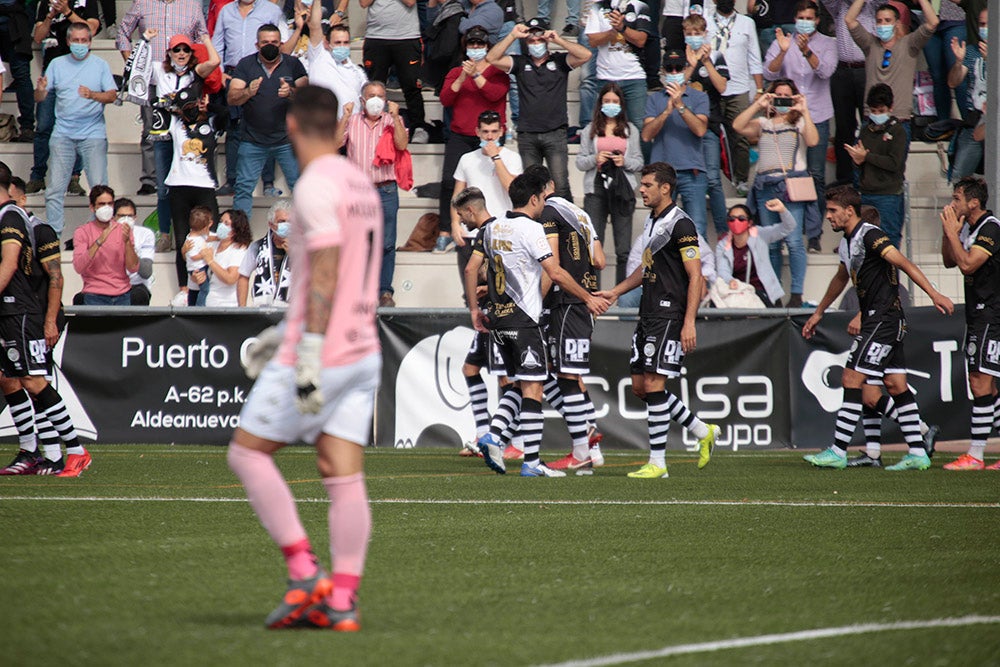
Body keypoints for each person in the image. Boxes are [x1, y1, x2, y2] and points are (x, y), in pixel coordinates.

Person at [227, 84, 382, 631]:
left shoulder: (314, 185)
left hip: (328, 349)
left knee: (247, 454)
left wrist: (308, 345)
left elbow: (330, 268)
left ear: (291, 125)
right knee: (341, 476)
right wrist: (286, 327)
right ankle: (341, 601)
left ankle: (303, 573)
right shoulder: (357, 182)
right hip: (364, 347)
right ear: (337, 126)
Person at [802, 185, 954, 470]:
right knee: (896, 385)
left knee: (851, 379)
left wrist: (934, 294)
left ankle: (837, 450)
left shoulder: (870, 235)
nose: (828, 217)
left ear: (850, 211)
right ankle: (918, 453)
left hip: (882, 319)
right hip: (883, 319)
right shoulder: (848, 242)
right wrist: (819, 312)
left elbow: (903, 262)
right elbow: (840, 279)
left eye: (833, 211)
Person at [467, 174, 610, 477]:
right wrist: (587, 296)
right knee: (533, 388)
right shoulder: (533, 229)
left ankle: (494, 436)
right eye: (542, 199)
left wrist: (473, 309)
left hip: (498, 320)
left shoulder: (491, 227)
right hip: (526, 320)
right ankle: (529, 459)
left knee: (519, 384)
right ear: (534, 198)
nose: (544, 204)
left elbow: (471, 268)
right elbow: (555, 272)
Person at [594, 162, 721, 478]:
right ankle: (702, 430)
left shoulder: (681, 225)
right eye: (642, 184)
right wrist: (615, 291)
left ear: (666, 187)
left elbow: (696, 277)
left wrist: (689, 321)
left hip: (668, 313)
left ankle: (658, 463)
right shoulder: (653, 222)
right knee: (641, 387)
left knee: (654, 384)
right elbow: (646, 268)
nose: (641, 189)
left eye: (647, 184)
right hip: (648, 313)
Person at [0, 162, 90, 478]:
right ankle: (34, 452)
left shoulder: (35, 228)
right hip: (12, 314)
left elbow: (56, 277)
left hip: (34, 315)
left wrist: (50, 320)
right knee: (13, 378)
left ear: (20, 198)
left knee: (36, 381)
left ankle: (62, 453)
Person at [528, 165, 608, 472]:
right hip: (586, 299)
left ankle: (582, 448)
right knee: (572, 374)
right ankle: (592, 449)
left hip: (566, 301)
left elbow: (553, 265)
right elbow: (600, 261)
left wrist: (534, 302)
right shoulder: (582, 214)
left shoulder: (549, 213)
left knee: (562, 375)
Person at [732, 78, 819, 308]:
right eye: (777, 95)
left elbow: (813, 140)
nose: (781, 100)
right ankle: (774, 293)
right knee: (770, 243)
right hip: (765, 186)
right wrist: (758, 104)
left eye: (786, 96)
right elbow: (738, 126)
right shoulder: (763, 123)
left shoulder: (799, 122)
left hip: (791, 186)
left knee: (793, 242)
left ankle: (797, 293)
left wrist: (804, 109)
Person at [486, 18, 591, 200]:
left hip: (555, 132)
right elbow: (491, 58)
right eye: (532, 41)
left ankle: (566, 226)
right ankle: (536, 226)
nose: (535, 44)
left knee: (560, 185)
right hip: (528, 134)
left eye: (539, 40)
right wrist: (512, 36)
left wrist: (558, 40)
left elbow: (586, 55)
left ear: (546, 40)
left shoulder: (559, 61)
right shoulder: (520, 62)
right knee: (531, 187)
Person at [763, 0, 836, 253]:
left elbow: (826, 72)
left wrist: (807, 52)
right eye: (800, 17)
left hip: (817, 115)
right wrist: (784, 51)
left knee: (815, 175)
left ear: (817, 20)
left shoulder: (828, 43)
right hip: (787, 119)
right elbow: (769, 74)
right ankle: (788, 228)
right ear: (795, 18)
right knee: (787, 174)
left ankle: (813, 233)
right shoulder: (782, 41)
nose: (804, 21)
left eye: (809, 18)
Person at [116, 0, 208, 196]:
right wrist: (134, 67)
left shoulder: (192, 5)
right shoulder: (142, 3)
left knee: (184, 130)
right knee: (152, 129)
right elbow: (123, 31)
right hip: (151, 79)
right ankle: (150, 180)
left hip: (183, 80)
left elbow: (202, 38)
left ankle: (182, 175)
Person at [940, 177, 1000, 471]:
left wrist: (954, 233)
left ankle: (975, 455)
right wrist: (948, 232)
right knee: (985, 383)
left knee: (980, 381)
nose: (952, 204)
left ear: (973, 203)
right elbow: (949, 261)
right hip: (978, 314)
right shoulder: (970, 228)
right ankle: (977, 454)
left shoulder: (990, 228)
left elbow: (967, 264)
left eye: (956, 199)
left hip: (992, 313)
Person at [36, 22, 117, 236]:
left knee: (100, 189)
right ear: (68, 41)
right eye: (76, 40)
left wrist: (92, 95)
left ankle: (97, 237)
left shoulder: (100, 65)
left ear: (90, 42)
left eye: (84, 40)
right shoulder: (56, 64)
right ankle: (54, 237)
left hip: (93, 134)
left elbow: (112, 95)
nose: (80, 44)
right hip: (63, 134)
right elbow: (40, 97)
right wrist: (41, 90)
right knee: (54, 190)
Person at [435, 27, 511, 253]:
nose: (475, 49)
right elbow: (446, 99)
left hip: (489, 135)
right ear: (465, 48)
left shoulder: (498, 72)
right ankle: (446, 231)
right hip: (460, 135)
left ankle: (497, 227)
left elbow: (494, 95)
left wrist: (477, 75)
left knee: (495, 181)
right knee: (450, 182)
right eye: (472, 45)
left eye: (480, 45)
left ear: (487, 47)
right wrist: (462, 76)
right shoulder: (456, 71)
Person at [211, 0, 295, 198]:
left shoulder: (272, 10)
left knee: (268, 123)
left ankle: (267, 183)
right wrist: (220, 72)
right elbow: (218, 43)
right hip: (234, 74)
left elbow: (283, 42)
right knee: (234, 129)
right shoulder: (226, 11)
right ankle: (232, 181)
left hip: (265, 70)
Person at [151, 31, 222, 257]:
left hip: (188, 130)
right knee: (164, 189)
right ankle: (165, 234)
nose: (181, 53)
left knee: (190, 175)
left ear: (191, 53)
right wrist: (143, 40)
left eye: (185, 49)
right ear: (169, 52)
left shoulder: (196, 73)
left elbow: (215, 62)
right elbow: (134, 70)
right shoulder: (159, 69)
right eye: (176, 49)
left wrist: (206, 39)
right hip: (166, 132)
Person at [339, 81, 408, 308]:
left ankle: (384, 292)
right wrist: (344, 116)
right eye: (371, 95)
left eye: (380, 95)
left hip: (385, 189)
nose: (376, 100)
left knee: (386, 244)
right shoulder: (353, 121)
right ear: (362, 99)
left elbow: (401, 143)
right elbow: (334, 143)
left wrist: (396, 118)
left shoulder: (391, 121)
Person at [228, 24, 308, 215]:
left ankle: (305, 236)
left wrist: (290, 93)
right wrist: (248, 91)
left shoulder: (293, 64)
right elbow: (232, 98)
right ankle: (241, 239)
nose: (270, 45)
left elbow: (307, 97)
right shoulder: (246, 65)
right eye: (265, 42)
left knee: (301, 188)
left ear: (281, 44)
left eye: (274, 42)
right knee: (243, 189)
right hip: (252, 140)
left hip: (287, 140)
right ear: (257, 44)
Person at [27, 0, 100, 196]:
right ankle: (37, 177)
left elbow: (91, 29)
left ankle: (74, 178)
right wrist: (51, 14)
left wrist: (67, 11)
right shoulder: (46, 3)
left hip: (79, 75)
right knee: (43, 126)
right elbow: (37, 37)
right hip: (52, 74)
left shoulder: (86, 2)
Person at [575, 82, 643, 284]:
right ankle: (594, 294)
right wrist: (595, 159)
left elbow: (639, 162)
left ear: (621, 104)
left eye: (615, 101)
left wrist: (624, 162)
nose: (611, 105)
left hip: (622, 189)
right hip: (596, 188)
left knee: (623, 248)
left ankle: (621, 296)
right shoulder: (590, 129)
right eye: (607, 101)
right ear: (600, 103)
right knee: (595, 245)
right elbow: (580, 162)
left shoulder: (631, 130)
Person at [845, 0, 938, 143]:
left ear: (897, 23)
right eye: (879, 21)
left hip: (899, 120)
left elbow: (932, 22)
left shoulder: (910, 44)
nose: (883, 25)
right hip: (871, 118)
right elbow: (849, 20)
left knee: (894, 165)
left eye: (888, 21)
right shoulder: (870, 44)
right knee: (864, 164)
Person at [449, 110, 523, 285]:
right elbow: (457, 196)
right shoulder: (466, 159)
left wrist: (495, 157)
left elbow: (512, 188)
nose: (490, 137)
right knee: (472, 291)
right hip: (471, 234)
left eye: (494, 132)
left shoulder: (512, 158)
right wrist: (454, 223)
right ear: (477, 132)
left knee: (500, 289)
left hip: (502, 233)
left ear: (501, 132)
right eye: (485, 132)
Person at [642, 50, 710, 237]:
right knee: (660, 228)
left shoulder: (699, 97)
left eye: (678, 68)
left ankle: (698, 267)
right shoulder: (654, 99)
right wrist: (665, 112)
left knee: (697, 229)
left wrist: (680, 105)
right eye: (669, 69)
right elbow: (646, 135)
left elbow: (700, 130)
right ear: (663, 71)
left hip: (692, 171)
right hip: (662, 174)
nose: (674, 72)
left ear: (686, 69)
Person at [707, 0, 764, 195]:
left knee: (740, 136)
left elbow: (754, 56)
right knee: (711, 135)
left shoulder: (747, 23)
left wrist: (759, 89)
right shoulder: (704, 20)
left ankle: (741, 180)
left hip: (739, 88)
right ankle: (711, 180)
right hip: (711, 87)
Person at [683, 12, 731, 236]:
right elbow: (675, 87)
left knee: (712, 179)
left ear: (705, 34)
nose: (693, 37)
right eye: (689, 33)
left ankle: (723, 232)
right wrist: (691, 66)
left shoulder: (717, 56)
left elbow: (722, 87)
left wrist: (706, 61)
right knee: (686, 179)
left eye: (697, 33)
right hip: (683, 127)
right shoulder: (678, 56)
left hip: (710, 125)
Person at [843, 83, 907, 249]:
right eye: (873, 111)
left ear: (890, 108)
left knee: (889, 241)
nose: (876, 115)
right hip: (866, 194)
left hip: (889, 195)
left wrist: (867, 157)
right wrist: (857, 161)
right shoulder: (865, 131)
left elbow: (895, 163)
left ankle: (891, 275)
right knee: (863, 242)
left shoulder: (898, 131)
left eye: (881, 111)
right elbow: (860, 160)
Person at [821, 0, 878, 185]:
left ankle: (870, 175)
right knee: (844, 127)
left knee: (870, 124)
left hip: (867, 69)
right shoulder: (839, 6)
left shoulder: (872, 5)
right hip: (843, 70)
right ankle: (845, 178)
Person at [360, 0, 428, 143]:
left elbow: (410, 2)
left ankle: (418, 128)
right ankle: (372, 127)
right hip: (376, 37)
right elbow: (364, 3)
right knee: (374, 87)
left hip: (407, 37)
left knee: (412, 85)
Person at [584, 0, 653, 133]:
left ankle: (641, 155)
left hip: (634, 77)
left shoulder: (640, 5)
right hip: (605, 77)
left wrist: (622, 28)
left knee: (638, 125)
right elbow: (592, 40)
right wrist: (611, 33)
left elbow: (641, 40)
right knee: (603, 124)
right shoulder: (598, 6)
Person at [715, 200, 796, 307]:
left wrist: (783, 211)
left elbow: (788, 227)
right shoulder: (722, 244)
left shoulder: (760, 234)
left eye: (741, 219)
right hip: (738, 293)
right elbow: (722, 269)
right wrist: (730, 280)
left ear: (749, 222)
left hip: (763, 292)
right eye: (732, 219)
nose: (736, 222)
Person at [72, 185, 140, 305]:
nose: (106, 208)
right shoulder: (82, 231)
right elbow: (79, 267)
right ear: (92, 207)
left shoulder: (123, 229)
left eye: (110, 204)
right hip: (94, 295)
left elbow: (133, 267)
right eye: (102, 204)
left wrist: (127, 242)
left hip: (123, 294)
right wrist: (99, 241)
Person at [303, 2, 366, 125]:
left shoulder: (357, 72)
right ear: (327, 44)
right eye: (337, 42)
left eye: (346, 42)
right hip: (322, 127)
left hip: (350, 129)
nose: (342, 46)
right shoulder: (319, 56)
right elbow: (315, 25)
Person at [947, 8, 987, 181]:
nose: (984, 28)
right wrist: (958, 62)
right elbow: (953, 82)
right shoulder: (972, 52)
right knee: (959, 177)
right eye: (982, 24)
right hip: (974, 121)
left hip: (995, 122)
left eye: (988, 24)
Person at [238, 199, 292, 307]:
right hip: (262, 310)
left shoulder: (303, 247)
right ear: (271, 225)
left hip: (292, 310)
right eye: (282, 221)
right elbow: (243, 276)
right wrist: (242, 308)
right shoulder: (257, 246)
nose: (287, 225)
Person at [924, 0, 966, 122]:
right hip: (929, 20)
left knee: (958, 73)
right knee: (937, 76)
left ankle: (968, 125)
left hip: (955, 18)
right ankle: (943, 126)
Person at [0, 0, 34, 142]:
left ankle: (27, 126)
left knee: (21, 75)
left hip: (17, 20)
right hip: (12, 19)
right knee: (21, 75)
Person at [203, 209, 251, 307]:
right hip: (209, 302)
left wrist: (211, 261)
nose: (221, 226)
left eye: (226, 223)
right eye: (221, 222)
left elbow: (231, 279)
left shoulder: (238, 250)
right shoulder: (214, 245)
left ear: (236, 229)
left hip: (228, 305)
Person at [113, 198, 156, 305]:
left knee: (138, 296)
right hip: (110, 284)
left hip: (136, 285)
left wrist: (130, 247)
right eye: (121, 216)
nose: (126, 219)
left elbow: (146, 272)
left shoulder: (145, 234)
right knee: (81, 298)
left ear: (135, 217)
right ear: (113, 218)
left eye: (130, 216)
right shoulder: (104, 233)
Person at [182, 206, 214, 306]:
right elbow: (191, 256)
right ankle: (199, 308)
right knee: (205, 290)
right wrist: (205, 254)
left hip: (204, 271)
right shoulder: (192, 240)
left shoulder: (202, 237)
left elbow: (211, 237)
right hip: (197, 271)